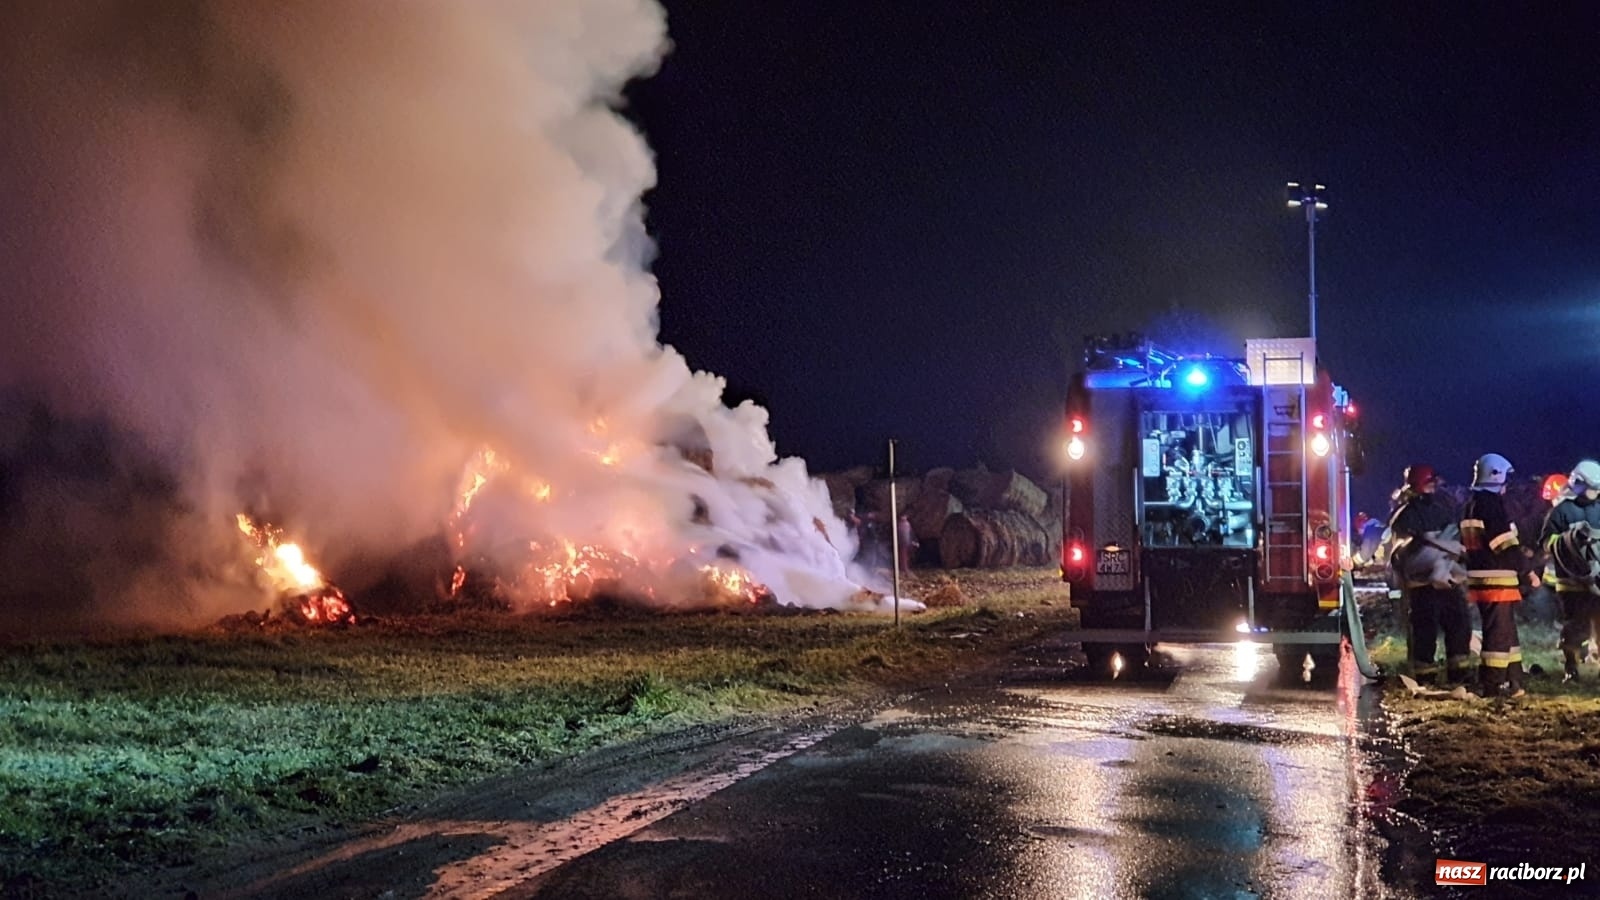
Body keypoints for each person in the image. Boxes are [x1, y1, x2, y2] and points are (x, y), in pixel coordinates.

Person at [1387, 465, 1473, 683]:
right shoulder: (1405, 515)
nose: (1434, 485)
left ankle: (1458, 673)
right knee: (1427, 632)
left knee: (1458, 625)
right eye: (1430, 481)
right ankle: (1427, 677)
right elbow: (1404, 552)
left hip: (1443, 582)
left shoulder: (1438, 509)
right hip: (1421, 585)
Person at [1459, 453, 1532, 697]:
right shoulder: (1491, 504)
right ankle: (1493, 685)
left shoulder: (1471, 504)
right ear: (1496, 476)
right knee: (1498, 635)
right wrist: (1527, 569)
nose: (1506, 486)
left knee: (1506, 631)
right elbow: (1503, 543)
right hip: (1497, 580)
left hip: (1483, 578)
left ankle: (1514, 681)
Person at [1539, 459, 1600, 683]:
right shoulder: (1561, 511)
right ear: (1580, 484)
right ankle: (1571, 667)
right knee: (1575, 626)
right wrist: (1569, 541)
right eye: (1593, 487)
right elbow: (1547, 542)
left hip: (1598, 580)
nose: (1596, 492)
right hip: (1570, 583)